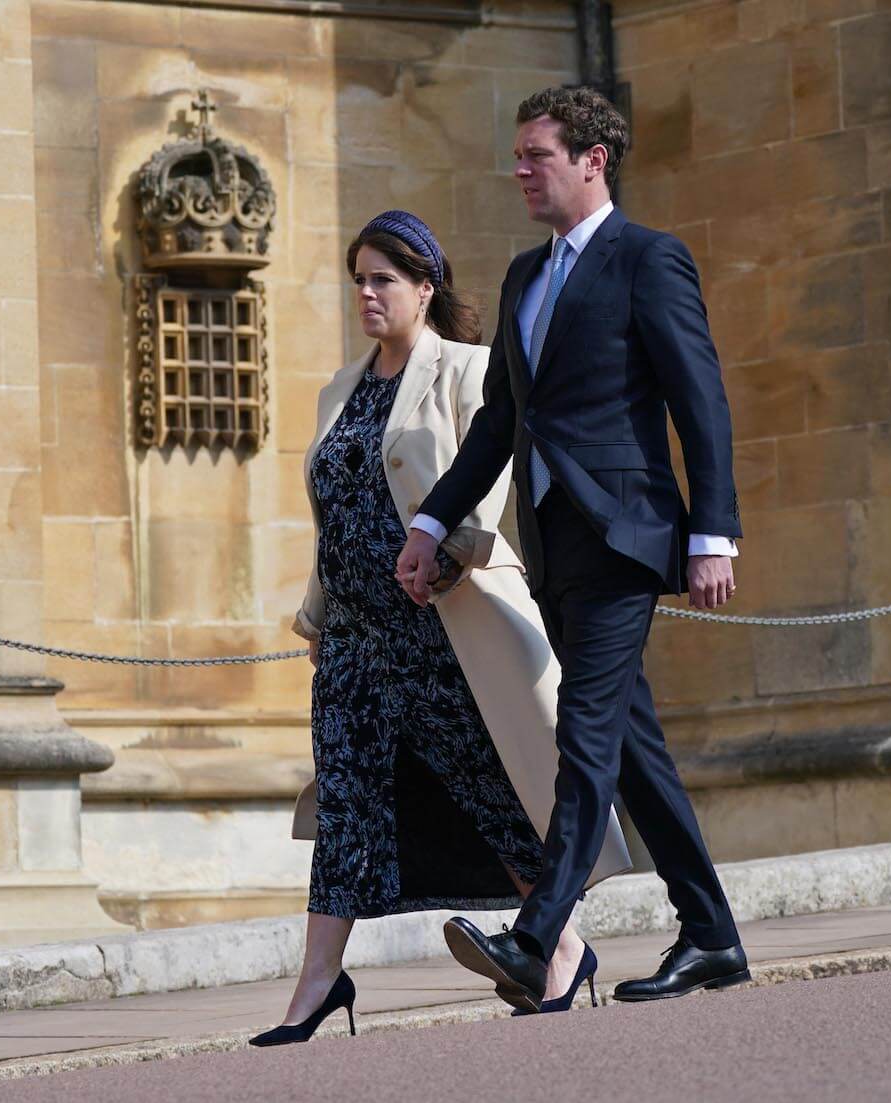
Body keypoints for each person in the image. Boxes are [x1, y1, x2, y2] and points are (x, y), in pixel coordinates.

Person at [395, 86, 750, 1013]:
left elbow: (698, 400)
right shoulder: (522, 276)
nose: (519, 170)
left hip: (626, 535)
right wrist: (433, 520)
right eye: (516, 155)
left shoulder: (649, 260)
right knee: (632, 749)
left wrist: (713, 531)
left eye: (536, 154)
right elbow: (501, 421)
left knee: (584, 736)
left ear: (594, 159)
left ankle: (537, 935)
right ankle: (711, 932)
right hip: (555, 543)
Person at [251, 211, 631, 1047]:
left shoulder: (465, 369)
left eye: (383, 278)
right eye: (358, 278)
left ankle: (560, 944)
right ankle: (316, 983)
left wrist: (451, 549)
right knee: (346, 803)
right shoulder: (338, 388)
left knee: (489, 792)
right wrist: (316, 615)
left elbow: (485, 481)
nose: (367, 293)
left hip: (439, 628)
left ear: (426, 287)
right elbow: (335, 514)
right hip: (353, 641)